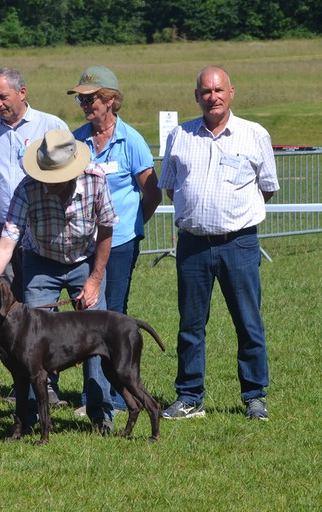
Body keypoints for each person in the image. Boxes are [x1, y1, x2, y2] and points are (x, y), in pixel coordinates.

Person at [159, 65, 279, 421]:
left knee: (248, 322)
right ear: (197, 96)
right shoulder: (180, 136)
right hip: (192, 246)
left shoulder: (254, 134)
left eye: (219, 90)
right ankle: (189, 396)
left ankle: (255, 397)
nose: (213, 97)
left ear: (231, 92)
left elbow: (267, 187)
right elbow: (171, 186)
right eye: (206, 92)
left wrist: (232, 216)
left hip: (238, 244)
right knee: (190, 326)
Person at [0, 129, 118, 432]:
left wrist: (95, 279)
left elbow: (107, 230)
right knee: (30, 338)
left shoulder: (95, 179)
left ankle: (100, 412)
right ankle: (31, 414)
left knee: (96, 334)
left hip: (85, 260)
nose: (50, 183)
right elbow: (7, 241)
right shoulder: (27, 188)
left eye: (57, 177)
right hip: (41, 261)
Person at [68, 65, 162, 415]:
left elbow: (152, 193)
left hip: (120, 243)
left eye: (90, 98)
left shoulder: (131, 141)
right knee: (85, 315)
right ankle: (93, 395)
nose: (85, 105)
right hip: (84, 244)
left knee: (112, 316)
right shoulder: (77, 140)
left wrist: (130, 227)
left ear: (110, 100)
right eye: (81, 99)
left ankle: (116, 397)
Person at [0, 67, 70, 406]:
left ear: (22, 92)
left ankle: (47, 382)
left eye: (3, 96)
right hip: (4, 228)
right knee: (10, 305)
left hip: (44, 228)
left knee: (39, 306)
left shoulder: (51, 125)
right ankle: (22, 380)